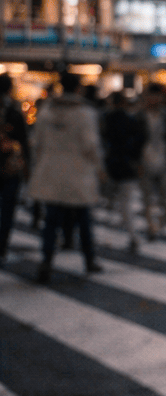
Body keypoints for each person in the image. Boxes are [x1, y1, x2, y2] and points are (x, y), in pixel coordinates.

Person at [29, 73, 104, 282]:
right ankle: (89, 259)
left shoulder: (46, 111)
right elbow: (91, 146)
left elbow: (37, 142)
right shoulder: (84, 113)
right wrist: (99, 167)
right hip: (78, 172)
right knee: (83, 218)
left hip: (51, 171)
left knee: (51, 220)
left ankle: (46, 261)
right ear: (78, 88)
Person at [101, 92, 147, 253]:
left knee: (111, 201)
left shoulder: (107, 119)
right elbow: (140, 140)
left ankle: (110, 233)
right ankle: (132, 235)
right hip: (128, 166)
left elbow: (103, 140)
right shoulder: (131, 120)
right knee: (125, 203)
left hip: (112, 165)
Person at [138, 84, 166, 239]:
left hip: (164, 159)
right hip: (144, 159)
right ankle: (151, 226)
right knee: (147, 197)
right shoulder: (140, 117)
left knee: (164, 196)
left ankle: (161, 221)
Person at [0, 73, 31, 264]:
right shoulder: (14, 111)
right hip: (11, 167)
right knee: (7, 209)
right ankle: (2, 246)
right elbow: (23, 141)